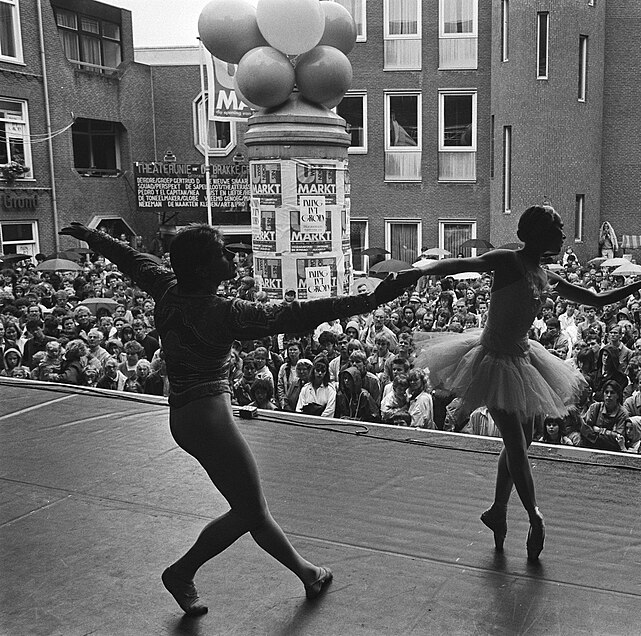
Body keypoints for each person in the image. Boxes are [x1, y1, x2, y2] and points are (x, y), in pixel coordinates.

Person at [59, 222, 409, 616]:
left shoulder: (167, 288)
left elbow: (130, 258)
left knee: (252, 508)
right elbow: (298, 314)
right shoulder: (224, 313)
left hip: (188, 416)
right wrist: (371, 300)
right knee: (249, 511)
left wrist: (93, 236)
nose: (231, 256)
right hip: (209, 420)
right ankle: (181, 572)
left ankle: (308, 574)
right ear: (204, 269)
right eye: (222, 252)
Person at [395, 205, 641, 560]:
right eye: (558, 228)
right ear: (539, 232)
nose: (564, 234)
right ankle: (533, 516)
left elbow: (595, 299)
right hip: (492, 361)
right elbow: (459, 264)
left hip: (523, 358)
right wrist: (415, 271)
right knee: (516, 443)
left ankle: (497, 510)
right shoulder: (508, 261)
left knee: (522, 441)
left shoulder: (545, 274)